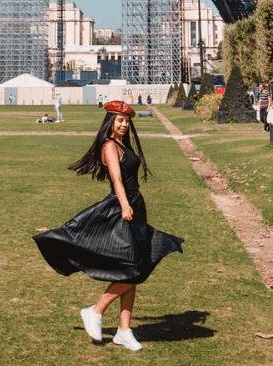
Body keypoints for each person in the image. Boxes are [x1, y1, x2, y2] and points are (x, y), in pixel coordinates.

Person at [34, 99, 183, 352]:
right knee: (135, 268)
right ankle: (95, 310)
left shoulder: (124, 144)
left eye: (126, 121)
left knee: (132, 267)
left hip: (135, 206)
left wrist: (132, 205)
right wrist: (125, 205)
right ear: (110, 123)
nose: (124, 125)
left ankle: (124, 331)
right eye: (119, 121)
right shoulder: (109, 146)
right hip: (121, 207)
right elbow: (116, 178)